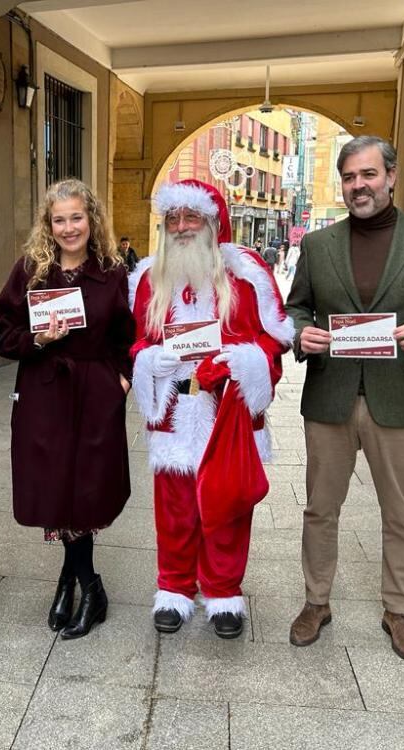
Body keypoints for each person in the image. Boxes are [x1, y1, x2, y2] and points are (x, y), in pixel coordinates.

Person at [284, 136, 404, 662]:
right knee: (320, 509)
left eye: (368, 175)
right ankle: (316, 602)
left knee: (400, 513)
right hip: (330, 396)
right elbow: (295, 310)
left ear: (391, 177)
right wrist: (301, 335)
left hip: (399, 398)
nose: (358, 186)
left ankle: (398, 610)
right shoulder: (318, 246)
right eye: (349, 178)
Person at [129, 179, 294, 638]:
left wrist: (239, 361)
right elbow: (140, 339)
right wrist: (151, 358)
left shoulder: (247, 274)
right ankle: (175, 588)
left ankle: (223, 592)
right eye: (173, 219)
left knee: (227, 506)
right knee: (175, 509)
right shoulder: (149, 278)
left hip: (230, 414)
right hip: (175, 409)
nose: (181, 228)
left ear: (212, 222)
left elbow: (273, 339)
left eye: (191, 217)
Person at [0, 179, 135, 640]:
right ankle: (84, 583)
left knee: (87, 490)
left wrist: (123, 377)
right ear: (47, 224)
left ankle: (80, 584)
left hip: (94, 393)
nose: (69, 227)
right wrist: (38, 339)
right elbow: (3, 332)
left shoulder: (114, 270)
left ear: (91, 219)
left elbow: (127, 335)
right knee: (56, 487)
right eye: (59, 219)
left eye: (77, 217)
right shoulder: (31, 270)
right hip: (45, 391)